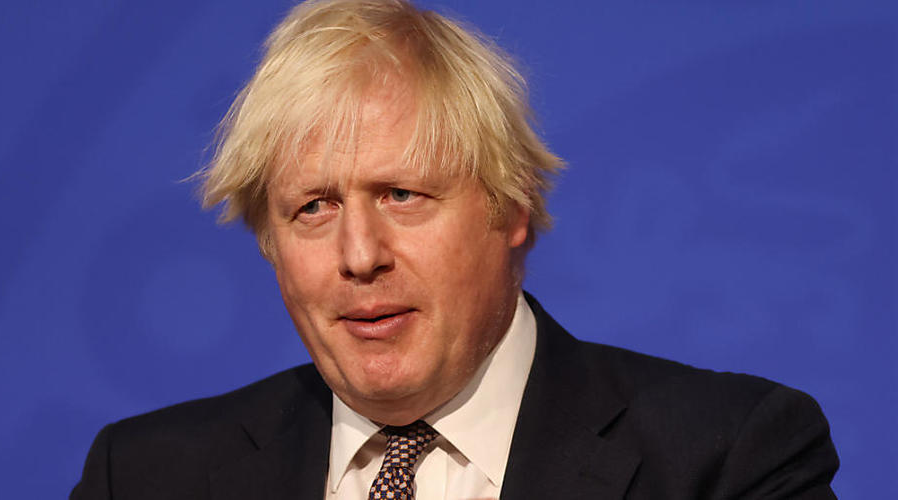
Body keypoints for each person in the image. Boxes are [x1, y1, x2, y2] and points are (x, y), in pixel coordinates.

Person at [70, 0, 839, 498]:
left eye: (402, 195)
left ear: (511, 209)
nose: (360, 254)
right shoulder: (141, 478)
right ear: (271, 246)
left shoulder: (728, 459)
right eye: (313, 207)